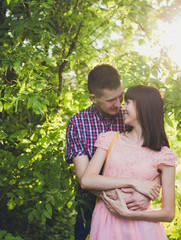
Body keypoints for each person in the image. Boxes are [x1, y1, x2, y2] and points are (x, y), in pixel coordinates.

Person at [65, 65, 156, 240]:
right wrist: (117, 198)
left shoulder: (130, 116)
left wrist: (145, 195)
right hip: (91, 206)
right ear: (93, 98)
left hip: (135, 202)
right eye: (111, 100)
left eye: (121, 96)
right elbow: (84, 177)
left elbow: (158, 160)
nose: (119, 104)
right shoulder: (78, 123)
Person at [80, 85, 178, 240]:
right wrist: (134, 183)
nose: (122, 108)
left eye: (128, 103)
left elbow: (168, 213)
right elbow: (87, 180)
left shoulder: (165, 155)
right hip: (106, 222)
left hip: (143, 228)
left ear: (142, 108)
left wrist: (129, 213)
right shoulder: (109, 139)